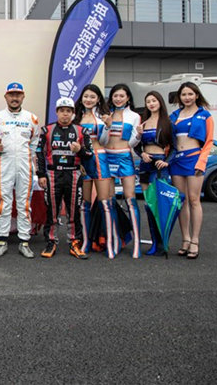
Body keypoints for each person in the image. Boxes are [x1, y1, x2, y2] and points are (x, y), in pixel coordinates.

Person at [0, 82, 39, 259]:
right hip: (5, 164)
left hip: (25, 165)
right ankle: (2, 241)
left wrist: (29, 156)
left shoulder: (32, 118)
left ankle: (24, 242)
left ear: (23, 96)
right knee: (4, 203)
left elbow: (35, 141)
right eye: (11, 95)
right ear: (6, 97)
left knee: (24, 203)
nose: (15, 98)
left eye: (18, 94)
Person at [36, 97, 91, 259]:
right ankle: (51, 241)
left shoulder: (82, 131)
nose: (65, 114)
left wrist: (80, 150)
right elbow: (39, 153)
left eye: (68, 111)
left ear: (73, 113)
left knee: (74, 210)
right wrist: (41, 174)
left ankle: (74, 242)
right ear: (57, 112)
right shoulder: (47, 130)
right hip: (53, 174)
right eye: (62, 111)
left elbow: (89, 154)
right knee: (52, 210)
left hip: (73, 174)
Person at [169, 82, 214, 260]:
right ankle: (185, 239)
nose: (187, 97)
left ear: (196, 95)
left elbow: (209, 141)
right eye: (183, 94)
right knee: (181, 201)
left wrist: (201, 162)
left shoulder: (205, 115)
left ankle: (195, 240)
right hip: (176, 160)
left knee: (194, 200)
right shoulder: (174, 115)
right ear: (179, 97)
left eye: (190, 94)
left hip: (194, 159)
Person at [73, 84, 116, 258]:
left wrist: (108, 126)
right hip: (83, 160)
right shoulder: (76, 117)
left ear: (98, 99)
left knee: (104, 202)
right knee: (84, 203)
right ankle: (86, 241)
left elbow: (104, 141)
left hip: (100, 158)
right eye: (86, 96)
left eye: (92, 97)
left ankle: (109, 242)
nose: (88, 100)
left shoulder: (102, 117)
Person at [104, 83, 143, 258]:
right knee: (110, 200)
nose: (118, 99)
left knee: (130, 199)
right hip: (107, 157)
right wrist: (106, 124)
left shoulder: (134, 116)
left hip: (125, 157)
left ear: (128, 98)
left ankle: (137, 243)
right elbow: (102, 139)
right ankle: (115, 240)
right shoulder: (106, 114)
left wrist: (139, 135)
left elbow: (132, 143)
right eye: (115, 95)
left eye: (121, 96)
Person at [135, 90, 172, 255]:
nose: (151, 104)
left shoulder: (167, 122)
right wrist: (141, 153)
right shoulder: (143, 123)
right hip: (145, 164)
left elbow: (175, 147)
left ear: (160, 102)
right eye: (148, 101)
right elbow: (136, 145)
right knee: (149, 205)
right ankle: (154, 243)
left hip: (159, 164)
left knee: (161, 204)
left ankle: (163, 242)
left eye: (154, 100)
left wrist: (167, 161)